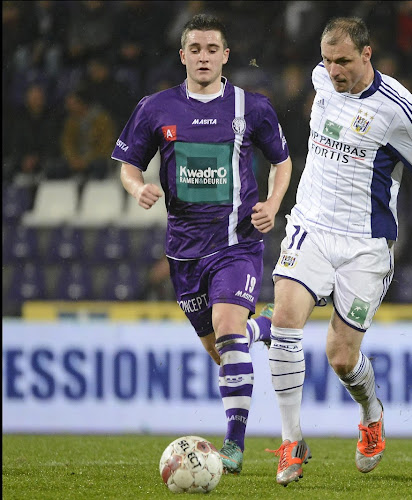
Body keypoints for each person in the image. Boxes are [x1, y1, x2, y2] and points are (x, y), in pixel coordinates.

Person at [262, 16, 412, 486]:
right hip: (311, 228)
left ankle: (371, 413)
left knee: (340, 355)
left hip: (365, 245)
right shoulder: (321, 79)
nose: (334, 71)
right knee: (285, 319)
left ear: (367, 54)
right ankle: (290, 440)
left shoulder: (400, 110)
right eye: (328, 61)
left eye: (344, 61)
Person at [111, 13, 293, 475]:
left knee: (228, 334)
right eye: (195, 49)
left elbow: (283, 161)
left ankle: (233, 445)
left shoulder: (251, 107)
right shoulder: (156, 107)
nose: (204, 57)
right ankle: (261, 328)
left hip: (237, 244)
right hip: (183, 252)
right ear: (183, 56)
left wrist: (272, 202)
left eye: (213, 49)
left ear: (226, 55)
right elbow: (129, 166)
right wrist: (138, 189)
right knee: (221, 349)